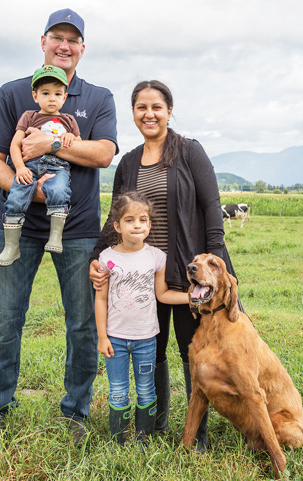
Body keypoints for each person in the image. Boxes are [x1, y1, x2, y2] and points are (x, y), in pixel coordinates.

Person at [0, 8, 118, 445]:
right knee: (4, 321)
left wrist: (54, 143)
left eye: (73, 40)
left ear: (82, 49)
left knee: (81, 325)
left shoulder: (97, 98)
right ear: (42, 41)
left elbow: (104, 154)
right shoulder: (12, 93)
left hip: (77, 230)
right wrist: (35, 191)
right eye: (57, 37)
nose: (64, 45)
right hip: (16, 223)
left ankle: (75, 412)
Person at [90, 80, 237, 451]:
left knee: (194, 353)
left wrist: (216, 271)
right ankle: (152, 426)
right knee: (149, 351)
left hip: (190, 277)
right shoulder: (127, 162)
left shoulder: (190, 152)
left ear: (169, 111)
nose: (149, 114)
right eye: (141, 107)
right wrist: (97, 256)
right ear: (134, 114)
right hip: (141, 277)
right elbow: (115, 218)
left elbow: (211, 211)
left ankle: (197, 436)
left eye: (157, 106)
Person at [94, 191, 189, 446]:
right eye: (129, 220)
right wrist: (102, 337)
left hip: (147, 339)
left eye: (143, 220)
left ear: (149, 224)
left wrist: (189, 298)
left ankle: (143, 438)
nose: (137, 225)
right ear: (117, 226)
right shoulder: (107, 258)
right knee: (118, 391)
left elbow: (163, 294)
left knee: (146, 389)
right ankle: (118, 441)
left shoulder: (156, 257)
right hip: (115, 338)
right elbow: (100, 299)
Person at [0, 64, 81, 266]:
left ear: (64, 97)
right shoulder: (29, 116)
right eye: (45, 93)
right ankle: (11, 247)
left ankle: (55, 236)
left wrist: (70, 137)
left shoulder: (69, 120)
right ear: (35, 96)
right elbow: (15, 145)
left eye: (57, 93)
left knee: (60, 190)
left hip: (58, 168)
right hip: (30, 167)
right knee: (16, 196)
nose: (52, 98)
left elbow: (79, 143)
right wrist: (20, 167)